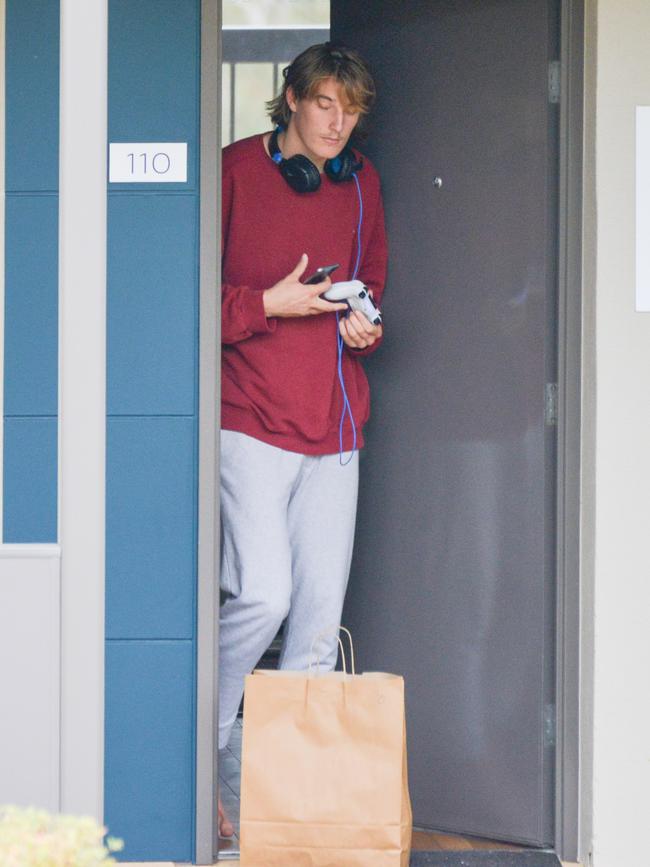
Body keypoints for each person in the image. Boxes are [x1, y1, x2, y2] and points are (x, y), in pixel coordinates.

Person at [217, 42, 387, 838]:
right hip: (248, 416)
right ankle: (205, 756)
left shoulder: (362, 184)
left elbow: (373, 285)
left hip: (336, 426)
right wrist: (267, 304)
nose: (338, 123)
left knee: (317, 625)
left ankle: (291, 816)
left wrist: (363, 326)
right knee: (262, 596)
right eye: (325, 104)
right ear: (289, 99)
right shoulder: (232, 172)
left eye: (350, 111)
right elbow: (187, 299)